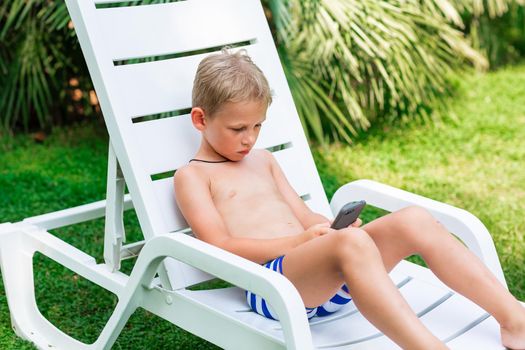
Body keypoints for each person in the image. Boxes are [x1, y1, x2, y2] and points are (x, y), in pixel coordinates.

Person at [174, 49, 525, 350]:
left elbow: (302, 214)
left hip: (326, 279)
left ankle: (514, 319)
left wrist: (327, 228)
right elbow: (220, 246)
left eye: (257, 126)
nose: (249, 139)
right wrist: (301, 242)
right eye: (238, 129)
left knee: (413, 219)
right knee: (351, 244)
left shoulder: (263, 160)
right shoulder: (193, 176)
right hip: (273, 287)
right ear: (201, 119)